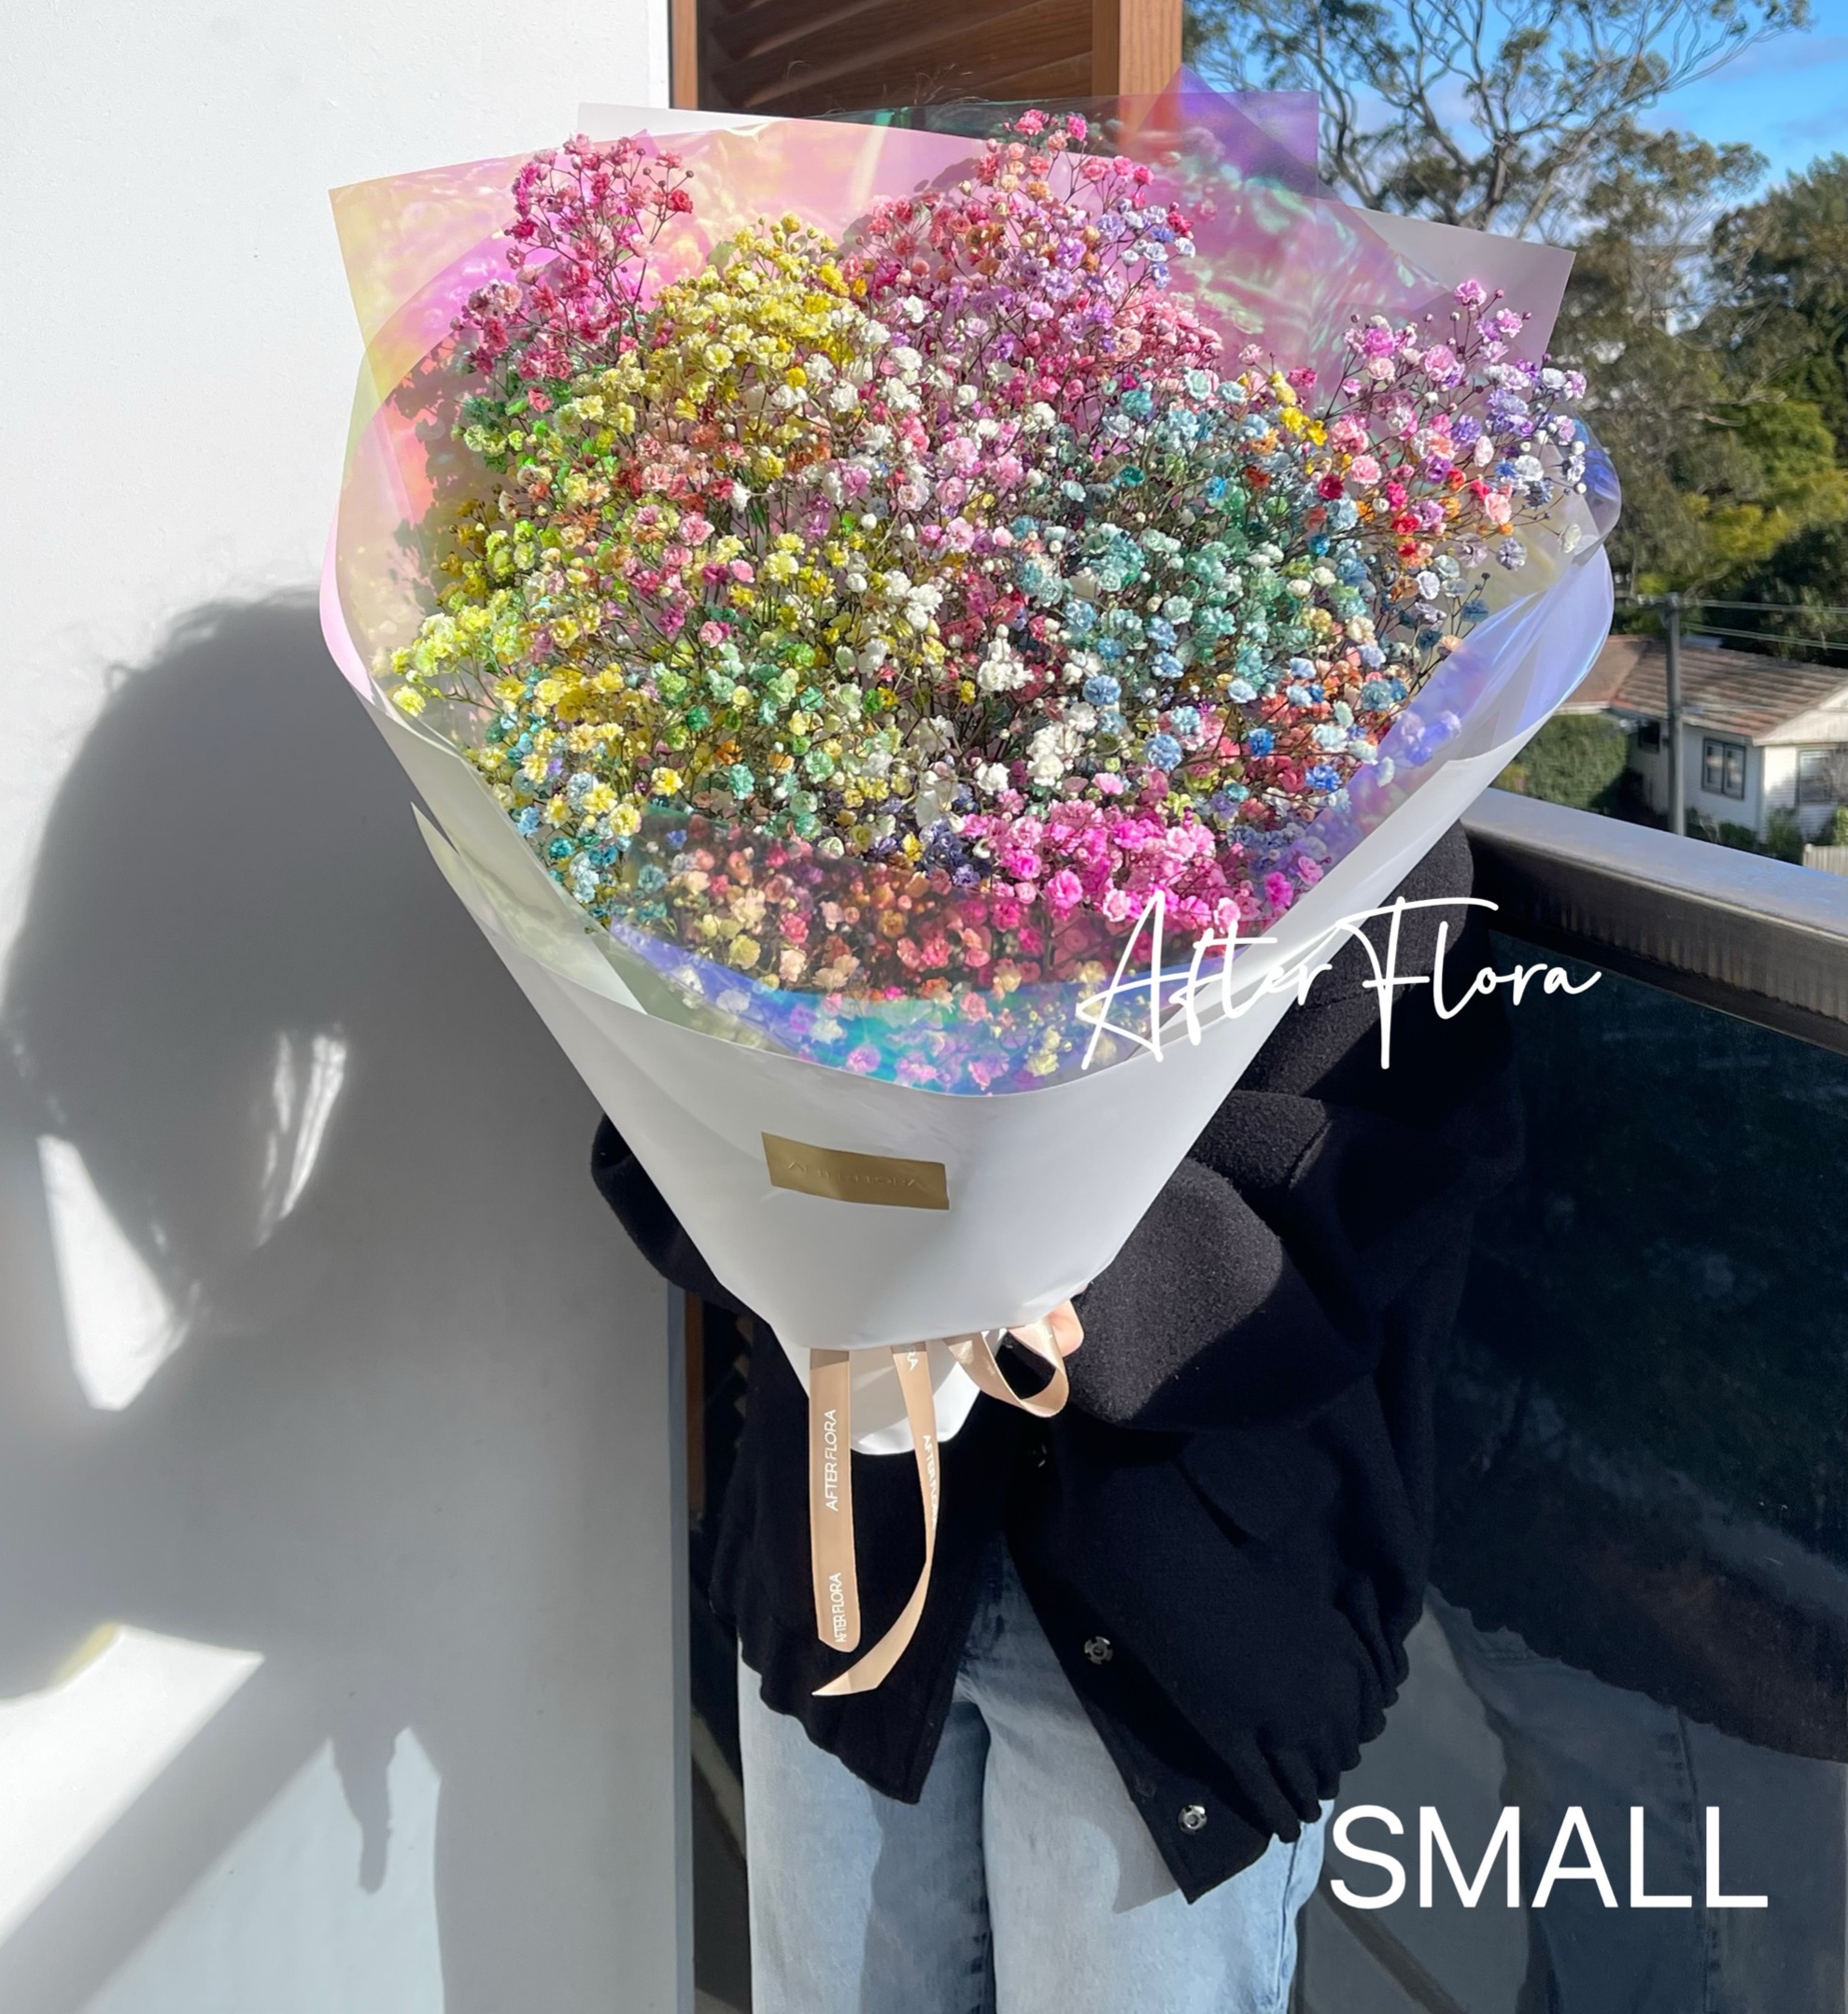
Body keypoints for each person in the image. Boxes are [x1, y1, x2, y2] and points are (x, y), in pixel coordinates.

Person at [593, 825, 1517, 2014]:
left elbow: (1351, 1206)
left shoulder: (1377, 821)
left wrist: (1003, 1246)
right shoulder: (837, 778)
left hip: (1176, 1624)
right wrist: (821, 1195)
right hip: (847, 1559)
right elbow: (673, 1119)